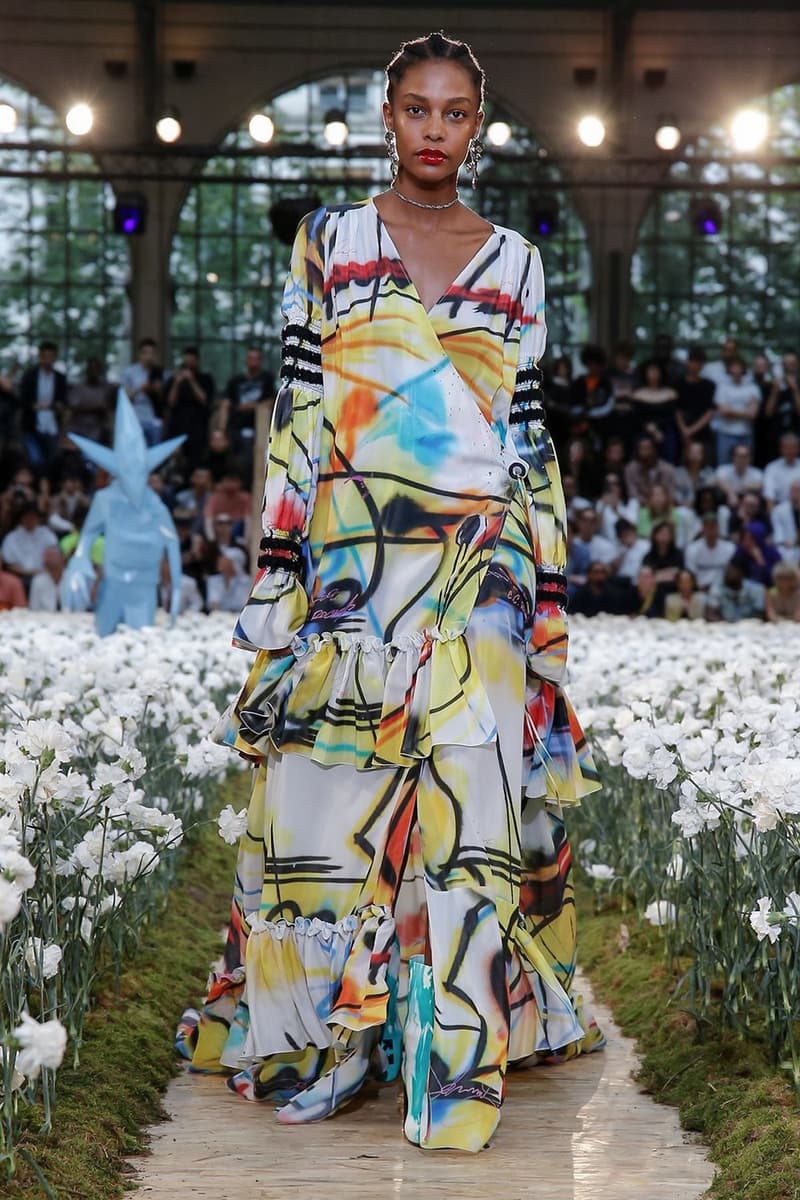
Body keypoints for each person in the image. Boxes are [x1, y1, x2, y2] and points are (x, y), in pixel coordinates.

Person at [180, 33, 603, 1153]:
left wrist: (539, 589)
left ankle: (451, 1066)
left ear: (477, 127)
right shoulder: (330, 243)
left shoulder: (515, 261)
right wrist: (284, 571)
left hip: (483, 574)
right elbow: (298, 412)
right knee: (325, 808)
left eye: (453, 113)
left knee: (472, 812)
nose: (432, 129)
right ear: (384, 117)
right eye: (414, 109)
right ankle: (328, 1035)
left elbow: (528, 433)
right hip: (352, 571)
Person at [219, 347, 275, 467]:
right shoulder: (235, 381)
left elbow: (271, 401)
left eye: (256, 358)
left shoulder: (267, 379)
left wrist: (253, 406)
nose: (253, 361)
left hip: (260, 427)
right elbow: (226, 403)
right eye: (250, 358)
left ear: (260, 361)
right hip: (236, 427)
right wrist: (221, 431)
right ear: (246, 360)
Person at [18, 341, 67, 468]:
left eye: (51, 357)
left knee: (52, 461)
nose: (48, 360)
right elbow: (22, 400)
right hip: (32, 425)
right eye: (45, 357)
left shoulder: (59, 378)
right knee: (35, 460)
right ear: (40, 356)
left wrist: (55, 407)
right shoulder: (30, 376)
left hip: (52, 426)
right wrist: (36, 406)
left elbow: (63, 401)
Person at [165, 347, 215, 470]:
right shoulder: (174, 380)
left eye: (191, 361)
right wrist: (177, 383)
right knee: (175, 459)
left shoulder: (205, 379)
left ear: (197, 361)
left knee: (195, 459)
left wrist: (192, 381)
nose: (188, 364)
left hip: (198, 426)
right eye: (186, 361)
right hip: (177, 425)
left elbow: (204, 399)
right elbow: (170, 402)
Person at [710, 356, 760, 465]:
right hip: (725, 433)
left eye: (739, 367)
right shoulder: (722, 387)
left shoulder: (752, 388)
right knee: (723, 466)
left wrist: (731, 410)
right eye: (734, 367)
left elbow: (753, 414)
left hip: (745, 433)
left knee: (745, 468)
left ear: (743, 369)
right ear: (729, 369)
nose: (736, 370)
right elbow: (723, 411)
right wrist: (745, 411)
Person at [0, 503, 58, 594]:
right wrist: (26, 573)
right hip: (19, 577)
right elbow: (8, 564)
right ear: (22, 518)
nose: (30, 519)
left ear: (38, 518)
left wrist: (41, 572)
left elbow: (55, 556)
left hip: (44, 575)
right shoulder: (11, 537)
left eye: (33, 516)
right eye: (27, 516)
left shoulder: (47, 534)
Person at [630, 361, 679, 464]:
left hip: (665, 430)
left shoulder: (670, 393)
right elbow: (636, 417)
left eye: (656, 370)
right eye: (650, 370)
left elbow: (672, 416)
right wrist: (650, 429)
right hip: (644, 430)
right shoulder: (638, 394)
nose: (653, 373)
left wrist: (658, 431)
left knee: (669, 441)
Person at [121, 337, 165, 446]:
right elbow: (124, 398)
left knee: (155, 449)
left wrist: (156, 390)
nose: (149, 356)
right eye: (145, 353)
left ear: (156, 355)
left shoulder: (161, 373)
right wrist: (140, 388)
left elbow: (166, 399)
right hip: (135, 417)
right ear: (140, 354)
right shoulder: (129, 372)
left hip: (155, 418)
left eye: (152, 353)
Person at [676, 347, 716, 462]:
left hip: (703, 433)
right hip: (681, 433)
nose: (694, 366)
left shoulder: (709, 385)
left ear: (703, 365)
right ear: (687, 363)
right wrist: (684, 430)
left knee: (705, 464)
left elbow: (710, 411)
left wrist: (691, 430)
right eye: (692, 362)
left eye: (698, 363)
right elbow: (676, 410)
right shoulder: (678, 384)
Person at [63, 358, 113, 444]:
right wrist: (96, 407)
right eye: (92, 369)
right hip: (77, 429)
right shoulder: (78, 388)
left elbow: (107, 410)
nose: (94, 372)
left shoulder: (105, 389)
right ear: (87, 370)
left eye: (96, 369)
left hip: (96, 430)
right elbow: (73, 408)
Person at [684, 513, 736, 592]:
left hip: (723, 590)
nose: (711, 530)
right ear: (703, 529)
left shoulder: (730, 548)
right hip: (699, 590)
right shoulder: (692, 549)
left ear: (718, 528)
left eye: (713, 526)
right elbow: (691, 574)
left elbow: (731, 573)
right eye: (708, 526)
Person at [623, 433, 676, 505]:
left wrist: (658, 501)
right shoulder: (630, 469)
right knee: (633, 503)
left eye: (648, 448)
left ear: (654, 450)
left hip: (663, 505)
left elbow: (670, 493)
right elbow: (633, 493)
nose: (645, 453)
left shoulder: (667, 469)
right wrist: (648, 503)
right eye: (642, 449)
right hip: (641, 505)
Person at [714, 443, 763, 507]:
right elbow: (720, 481)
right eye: (739, 456)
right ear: (733, 457)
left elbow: (758, 485)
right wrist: (731, 493)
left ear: (750, 458)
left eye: (745, 456)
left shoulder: (756, 472)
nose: (742, 459)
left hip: (748, 503)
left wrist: (737, 489)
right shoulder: (723, 469)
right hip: (726, 502)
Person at [762, 432, 800, 510]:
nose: (790, 451)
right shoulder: (772, 467)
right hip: (779, 507)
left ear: (798, 448)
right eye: (787, 447)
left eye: (793, 447)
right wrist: (773, 515)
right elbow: (769, 494)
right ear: (781, 449)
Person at [770, 479, 800, 565]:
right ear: (790, 492)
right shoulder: (779, 510)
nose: (797, 493)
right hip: (785, 546)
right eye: (795, 490)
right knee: (782, 553)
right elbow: (778, 531)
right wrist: (784, 542)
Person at [28, 544, 66, 611]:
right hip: (44, 619)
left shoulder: (73, 579)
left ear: (62, 558)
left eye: (52, 556)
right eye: (46, 556)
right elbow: (33, 608)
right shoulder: (38, 580)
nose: (48, 559)